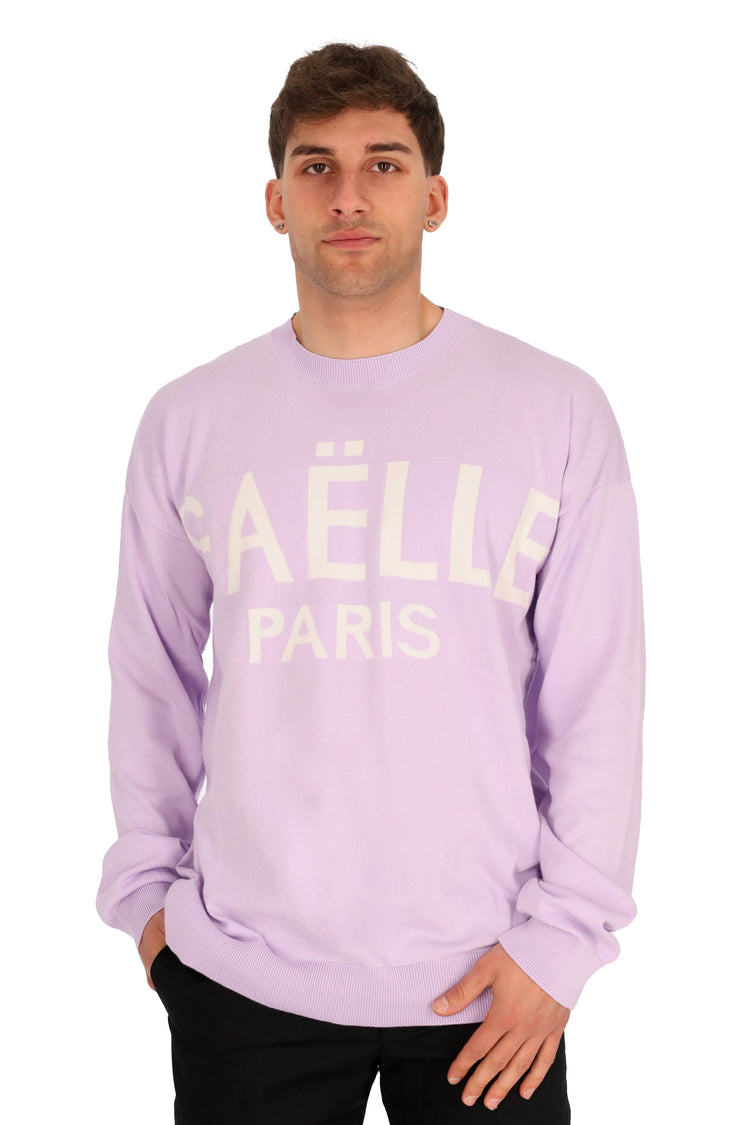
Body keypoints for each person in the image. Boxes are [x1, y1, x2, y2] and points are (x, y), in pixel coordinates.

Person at [96, 42, 644, 1124]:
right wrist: (150, 906)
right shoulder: (190, 419)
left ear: (434, 197)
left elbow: (596, 694)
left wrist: (564, 941)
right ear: (276, 200)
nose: (348, 196)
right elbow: (151, 672)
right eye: (317, 166)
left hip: (494, 980)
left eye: (383, 164)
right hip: (243, 976)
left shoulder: (555, 410)